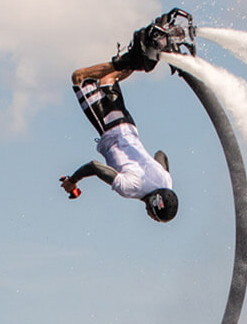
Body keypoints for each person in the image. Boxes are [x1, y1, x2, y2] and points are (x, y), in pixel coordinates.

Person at [59, 23, 179, 223]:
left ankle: (142, 56)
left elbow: (161, 155)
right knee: (79, 78)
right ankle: (134, 60)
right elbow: (95, 167)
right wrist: (72, 181)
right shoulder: (130, 188)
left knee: (107, 81)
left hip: (130, 128)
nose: (150, 217)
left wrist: (156, 169)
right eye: (153, 216)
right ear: (153, 205)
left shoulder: (166, 181)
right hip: (110, 128)